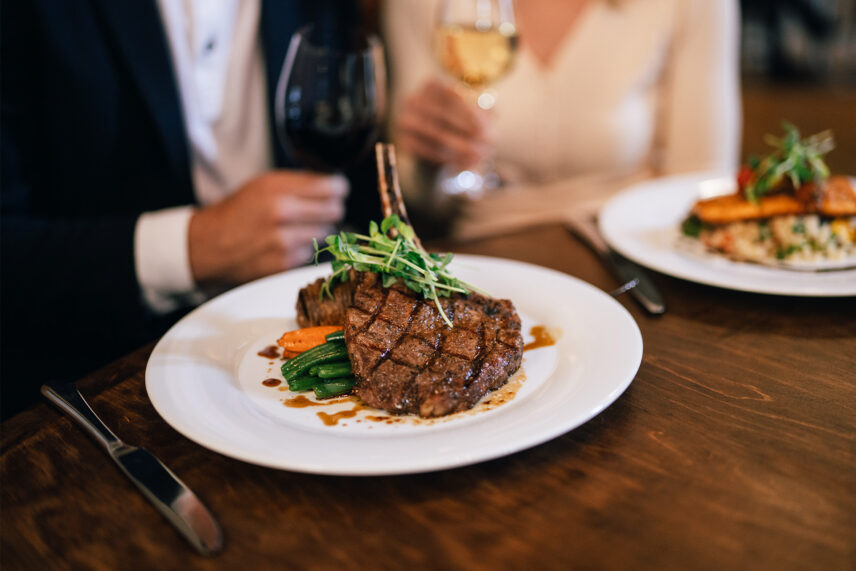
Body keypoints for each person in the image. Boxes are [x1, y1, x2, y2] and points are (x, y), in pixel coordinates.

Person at [0, 0, 377, 418]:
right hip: (103, 384)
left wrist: (421, 168)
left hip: (295, 374)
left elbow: (352, 166)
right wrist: (188, 248)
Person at [384, 0, 742, 239]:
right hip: (480, 254)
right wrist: (434, 162)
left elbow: (700, 184)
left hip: (627, 255)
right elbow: (414, 200)